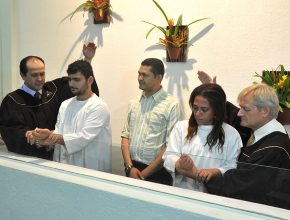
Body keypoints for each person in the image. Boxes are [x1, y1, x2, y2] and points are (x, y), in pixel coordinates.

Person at [189, 83, 290, 208]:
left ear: (265, 111)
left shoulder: (274, 148)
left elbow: (240, 184)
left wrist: (197, 174)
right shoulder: (259, 132)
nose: (239, 114)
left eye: (245, 109)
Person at [0, 43, 99, 160]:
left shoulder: (54, 89)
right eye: (34, 75)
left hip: (60, 158)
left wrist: (87, 59)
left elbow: (83, 87)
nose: (40, 79)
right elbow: (12, 134)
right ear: (23, 75)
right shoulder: (12, 101)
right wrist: (37, 140)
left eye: (42, 73)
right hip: (30, 161)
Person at [29, 60, 112, 172]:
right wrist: (43, 137)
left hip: (90, 170)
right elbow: (59, 132)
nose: (71, 84)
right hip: (63, 167)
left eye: (77, 80)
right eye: (70, 79)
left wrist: (54, 138)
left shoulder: (99, 106)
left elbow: (83, 137)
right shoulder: (65, 104)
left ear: (90, 80)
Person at [163, 84, 242, 191]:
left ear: (216, 110)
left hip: (213, 195)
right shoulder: (181, 127)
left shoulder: (231, 134)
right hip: (182, 192)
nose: (197, 113)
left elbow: (232, 165)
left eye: (204, 109)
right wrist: (179, 164)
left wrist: (215, 171)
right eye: (195, 108)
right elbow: (169, 155)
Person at [121, 58, 182, 185]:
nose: (139, 78)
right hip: (131, 168)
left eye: (145, 75)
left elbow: (170, 146)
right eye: (139, 74)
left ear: (158, 77)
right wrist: (129, 167)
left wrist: (143, 174)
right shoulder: (133, 103)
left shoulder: (172, 105)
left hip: (157, 173)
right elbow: (125, 136)